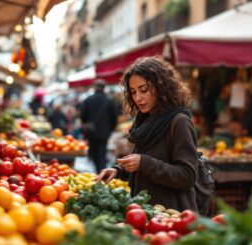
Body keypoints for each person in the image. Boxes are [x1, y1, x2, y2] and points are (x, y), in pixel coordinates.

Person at [97, 56, 199, 212]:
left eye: (144, 90)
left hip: (171, 216)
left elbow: (187, 176)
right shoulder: (146, 120)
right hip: (145, 212)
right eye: (133, 92)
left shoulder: (179, 122)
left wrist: (144, 162)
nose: (138, 98)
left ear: (161, 87)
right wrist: (119, 170)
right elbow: (143, 163)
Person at [80, 79, 118, 173]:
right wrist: (110, 129)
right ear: (104, 88)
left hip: (91, 132)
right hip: (104, 132)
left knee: (93, 152)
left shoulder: (88, 100)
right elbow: (114, 118)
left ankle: (98, 170)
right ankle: (101, 172)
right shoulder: (109, 100)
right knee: (102, 153)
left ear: (95, 87)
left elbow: (82, 116)